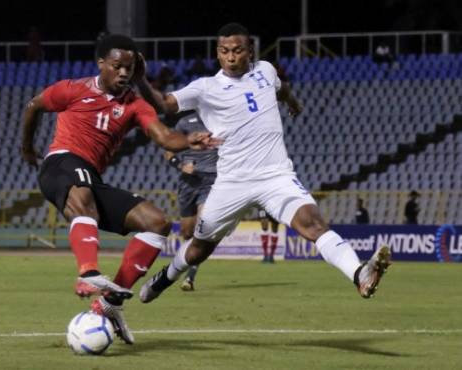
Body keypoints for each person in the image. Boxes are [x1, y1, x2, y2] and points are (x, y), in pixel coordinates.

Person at [136, 22, 391, 304]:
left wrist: (291, 101)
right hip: (232, 181)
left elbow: (280, 90)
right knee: (199, 249)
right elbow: (164, 104)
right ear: (218, 54)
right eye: (224, 51)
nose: (231, 57)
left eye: (237, 50)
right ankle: (165, 277)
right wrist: (140, 80)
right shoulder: (206, 87)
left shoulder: (266, 70)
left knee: (313, 223)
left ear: (250, 51)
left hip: (275, 175)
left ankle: (359, 274)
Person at [21, 34, 218, 345]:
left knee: (157, 223)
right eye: (117, 66)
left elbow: (165, 137)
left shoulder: (135, 106)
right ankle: (88, 272)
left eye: (129, 68)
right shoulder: (72, 90)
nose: (124, 73)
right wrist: (27, 149)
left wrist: (189, 140)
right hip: (60, 165)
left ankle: (110, 304)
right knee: (83, 190)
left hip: (89, 178)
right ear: (102, 64)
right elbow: (33, 106)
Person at [164, 111, 218, 291]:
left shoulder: (220, 119)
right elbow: (168, 150)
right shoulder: (184, 123)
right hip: (188, 182)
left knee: (202, 227)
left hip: (210, 180)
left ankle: (190, 278)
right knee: (186, 232)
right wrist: (180, 165)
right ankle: (182, 263)